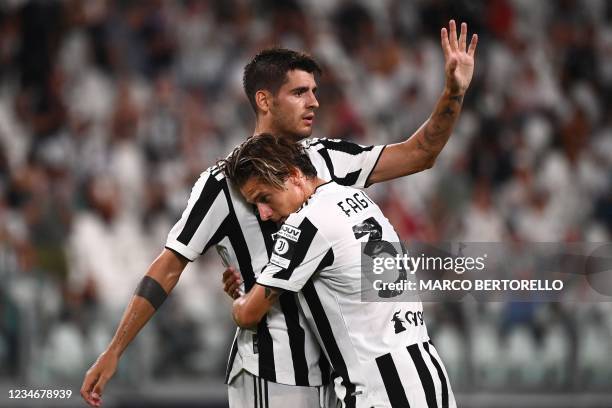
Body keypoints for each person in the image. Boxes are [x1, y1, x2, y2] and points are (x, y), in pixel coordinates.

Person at [81, 20, 477, 408]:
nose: (314, 102)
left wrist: (452, 94)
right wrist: (115, 349)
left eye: (314, 91)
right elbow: (169, 265)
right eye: (299, 92)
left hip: (342, 374)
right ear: (264, 101)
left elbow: (420, 153)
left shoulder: (330, 159)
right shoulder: (220, 183)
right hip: (275, 373)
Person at [224, 133, 455, 407]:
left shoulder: (306, 224)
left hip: (380, 390)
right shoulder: (358, 199)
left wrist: (240, 297)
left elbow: (249, 314)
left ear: (294, 174)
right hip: (428, 372)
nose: (263, 213)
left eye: (264, 197)